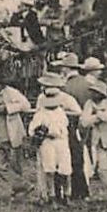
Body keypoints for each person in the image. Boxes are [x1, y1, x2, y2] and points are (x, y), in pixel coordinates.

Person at [0, 70, 32, 198]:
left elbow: (26, 105)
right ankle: (24, 185)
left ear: (1, 84)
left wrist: (8, 108)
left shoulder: (11, 92)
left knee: (15, 164)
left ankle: (19, 192)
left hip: (11, 133)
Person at [31, 74, 73, 204]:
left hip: (61, 142)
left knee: (65, 169)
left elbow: (63, 128)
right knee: (49, 169)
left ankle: (66, 194)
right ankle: (52, 195)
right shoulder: (41, 113)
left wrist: (53, 131)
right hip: (47, 143)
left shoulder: (61, 112)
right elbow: (32, 129)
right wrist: (41, 132)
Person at [81, 76, 107, 200]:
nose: (93, 94)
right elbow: (84, 121)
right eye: (92, 92)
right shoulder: (89, 103)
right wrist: (98, 116)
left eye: (95, 92)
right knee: (102, 169)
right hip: (98, 139)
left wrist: (96, 114)